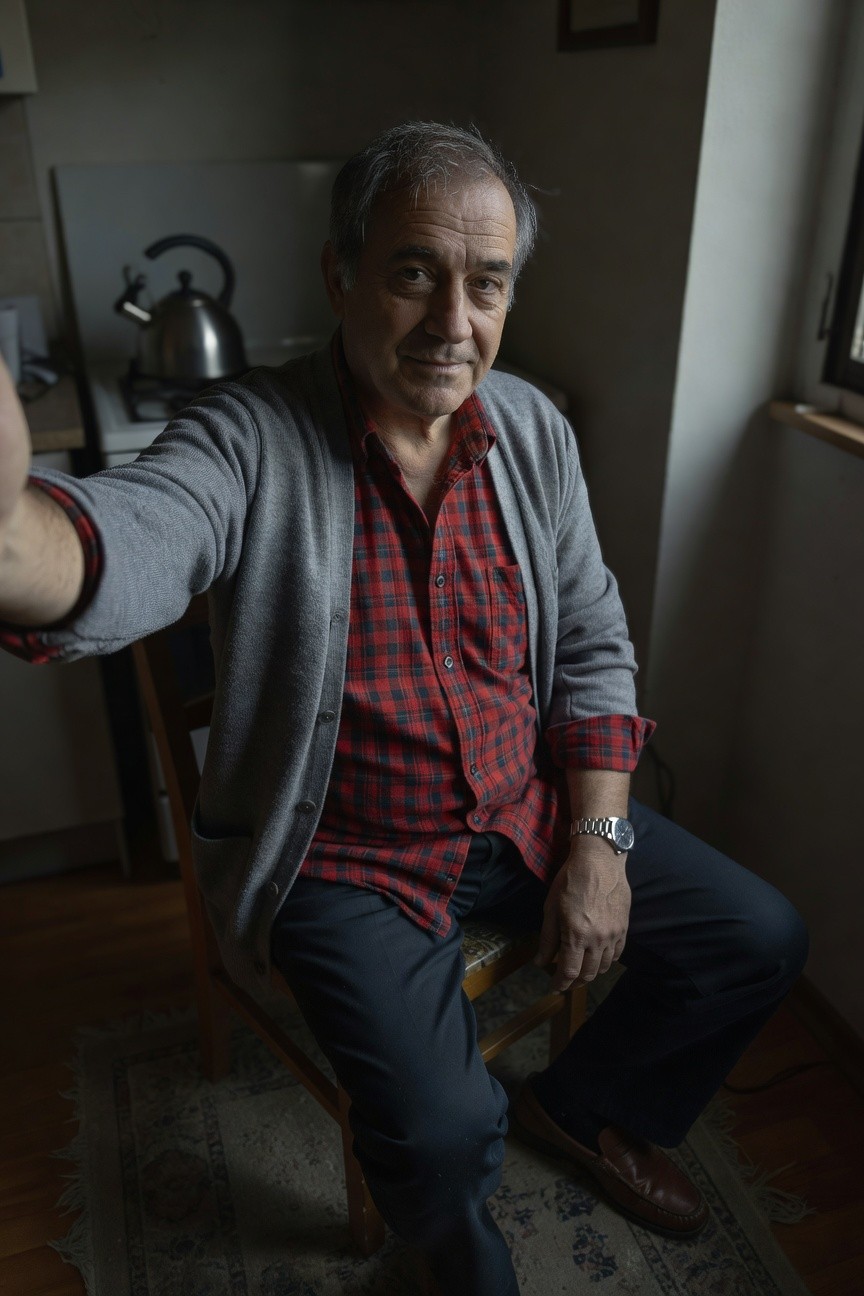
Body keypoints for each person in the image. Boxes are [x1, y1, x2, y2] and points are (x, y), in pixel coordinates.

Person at [0, 122, 807, 1296]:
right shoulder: (250, 435)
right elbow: (138, 534)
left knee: (758, 938)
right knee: (441, 1132)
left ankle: (586, 1107)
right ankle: (450, 1256)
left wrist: (597, 839)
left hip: (522, 813)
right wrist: (13, 535)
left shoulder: (532, 431)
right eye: (415, 272)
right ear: (340, 275)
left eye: (488, 284)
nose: (453, 322)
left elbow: (593, 642)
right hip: (347, 861)